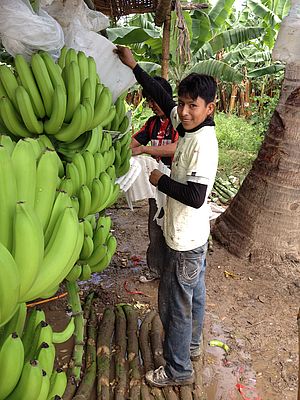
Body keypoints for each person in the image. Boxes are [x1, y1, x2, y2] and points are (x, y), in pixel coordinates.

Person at [115, 46, 218, 388]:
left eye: (193, 106)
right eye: (184, 104)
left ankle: (178, 369)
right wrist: (134, 66)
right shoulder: (188, 127)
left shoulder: (203, 143)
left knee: (175, 305)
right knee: (195, 294)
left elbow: (195, 195)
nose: (185, 112)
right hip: (194, 237)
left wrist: (161, 179)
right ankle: (191, 346)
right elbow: (162, 95)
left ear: (209, 108)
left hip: (185, 240)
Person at [131, 77, 179, 280]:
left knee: (175, 227)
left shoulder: (179, 120)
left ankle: (173, 271)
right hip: (156, 182)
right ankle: (155, 269)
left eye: (155, 100)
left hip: (177, 182)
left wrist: (145, 149)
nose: (153, 105)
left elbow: (178, 147)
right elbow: (133, 141)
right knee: (155, 226)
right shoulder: (152, 124)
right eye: (149, 101)